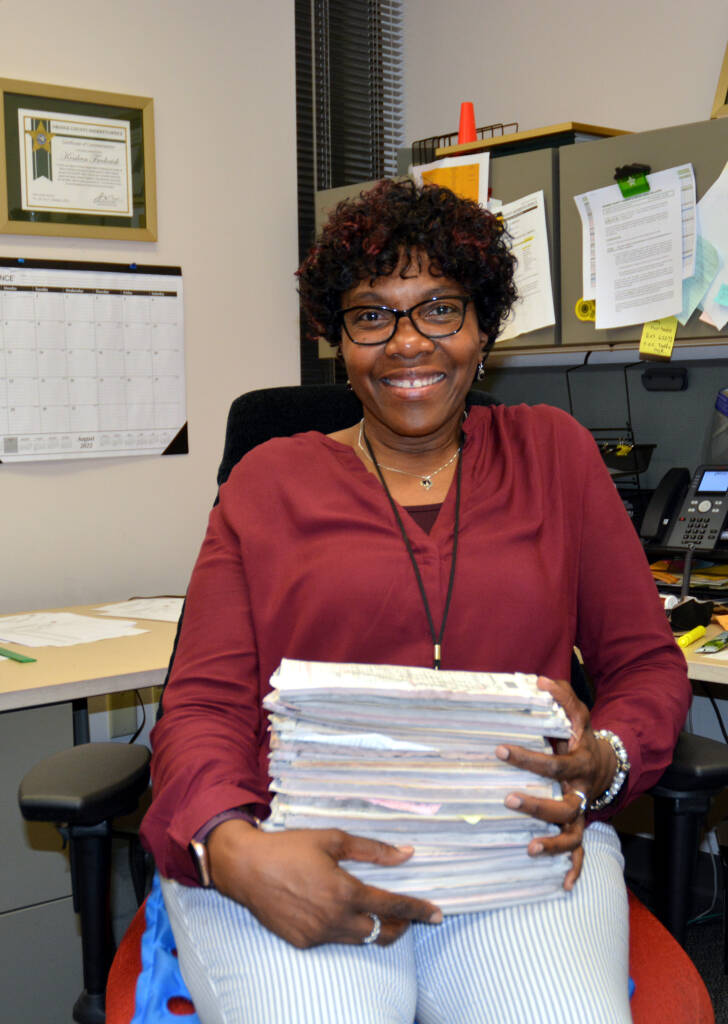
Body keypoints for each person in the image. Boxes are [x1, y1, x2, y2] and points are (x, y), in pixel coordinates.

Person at [141, 179, 691, 1024]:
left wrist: (605, 762)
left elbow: (645, 666)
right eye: (372, 314)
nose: (407, 343)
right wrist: (232, 851)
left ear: (481, 328)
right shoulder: (269, 484)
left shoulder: (554, 455)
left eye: (439, 308)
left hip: (514, 843)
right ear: (338, 337)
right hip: (295, 840)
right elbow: (204, 702)